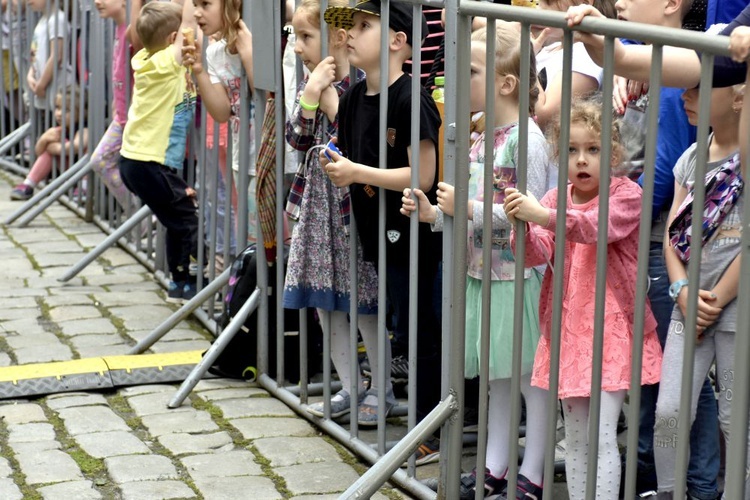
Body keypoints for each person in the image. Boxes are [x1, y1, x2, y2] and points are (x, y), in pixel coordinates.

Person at [401, 23, 551, 498]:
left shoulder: (524, 140)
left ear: (506, 82)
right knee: (497, 379)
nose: (455, 79)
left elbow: (530, 218)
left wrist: (465, 207)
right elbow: (471, 214)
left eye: (468, 70)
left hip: (520, 277)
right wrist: (434, 215)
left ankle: (534, 472)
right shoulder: (483, 134)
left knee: (531, 382)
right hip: (484, 272)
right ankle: (495, 466)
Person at [504, 96, 663, 500]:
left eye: (593, 149)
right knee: (575, 434)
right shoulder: (557, 197)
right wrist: (520, 226)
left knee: (601, 433)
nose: (582, 160)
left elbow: (594, 227)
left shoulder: (626, 194)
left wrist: (540, 216)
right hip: (569, 331)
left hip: (612, 330)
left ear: (612, 151)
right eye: (572, 150)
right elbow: (535, 253)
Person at [604, 1, 723, 497]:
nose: (620, 3)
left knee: (679, 379)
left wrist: (610, 207)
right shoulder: (642, 57)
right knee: (655, 374)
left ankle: (699, 484)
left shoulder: (677, 73)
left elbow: (663, 170)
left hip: (655, 240)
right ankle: (656, 471)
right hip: (639, 237)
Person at [322, 0, 443, 463]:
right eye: (350, 26)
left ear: (398, 41)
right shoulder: (353, 96)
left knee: (421, 330)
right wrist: (340, 166)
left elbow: (422, 176)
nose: (350, 33)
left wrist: (356, 172)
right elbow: (352, 156)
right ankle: (419, 416)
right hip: (375, 231)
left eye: (364, 25)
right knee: (401, 326)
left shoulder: (412, 98)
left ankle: (429, 427)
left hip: (413, 234)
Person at [282, 0, 390, 426]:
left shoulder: (364, 85)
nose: (297, 47)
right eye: (294, 36)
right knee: (326, 305)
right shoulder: (311, 82)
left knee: (363, 302)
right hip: (319, 207)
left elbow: (360, 138)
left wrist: (328, 102)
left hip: (352, 208)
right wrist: (310, 97)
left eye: (305, 37)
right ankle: (350, 384)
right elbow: (296, 138)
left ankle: (382, 388)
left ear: (339, 39)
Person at [654, 80, 746, 499]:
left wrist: (715, 302)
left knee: (734, 416)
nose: (684, 98)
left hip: (734, 313)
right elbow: (674, 234)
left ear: (738, 95)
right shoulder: (690, 159)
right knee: (669, 412)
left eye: (695, 89)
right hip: (687, 308)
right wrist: (683, 291)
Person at [118, 1, 199, 303]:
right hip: (147, 162)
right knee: (184, 218)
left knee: (175, 217)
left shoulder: (148, 59)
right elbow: (188, 27)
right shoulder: (164, 62)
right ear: (171, 38)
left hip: (139, 161)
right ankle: (182, 282)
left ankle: (178, 281)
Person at [182, 0, 254, 259]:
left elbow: (265, 95)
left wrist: (248, 55)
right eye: (195, 4)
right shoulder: (214, 52)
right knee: (244, 224)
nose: (197, 12)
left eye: (205, 4)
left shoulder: (256, 39)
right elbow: (222, 112)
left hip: (267, 154)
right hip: (241, 153)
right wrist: (198, 70)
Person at [531, 0, 613, 129]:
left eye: (549, 2)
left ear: (583, 3)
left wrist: (525, 59)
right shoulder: (551, 48)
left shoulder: (586, 55)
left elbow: (543, 119)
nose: (538, 9)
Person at [10, 88, 88, 200]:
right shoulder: (58, 129)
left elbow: (76, 146)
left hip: (80, 172)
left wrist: (56, 147)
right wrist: (44, 139)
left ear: (80, 112)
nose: (59, 114)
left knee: (83, 149)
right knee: (48, 149)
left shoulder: (84, 128)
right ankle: (29, 184)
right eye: (57, 108)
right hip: (66, 171)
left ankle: (83, 188)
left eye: (66, 110)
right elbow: (38, 152)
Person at [25, 0, 74, 111]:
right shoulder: (42, 21)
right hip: (44, 88)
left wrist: (41, 84)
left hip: (57, 85)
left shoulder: (57, 19)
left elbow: (57, 56)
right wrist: (30, 75)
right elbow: (35, 53)